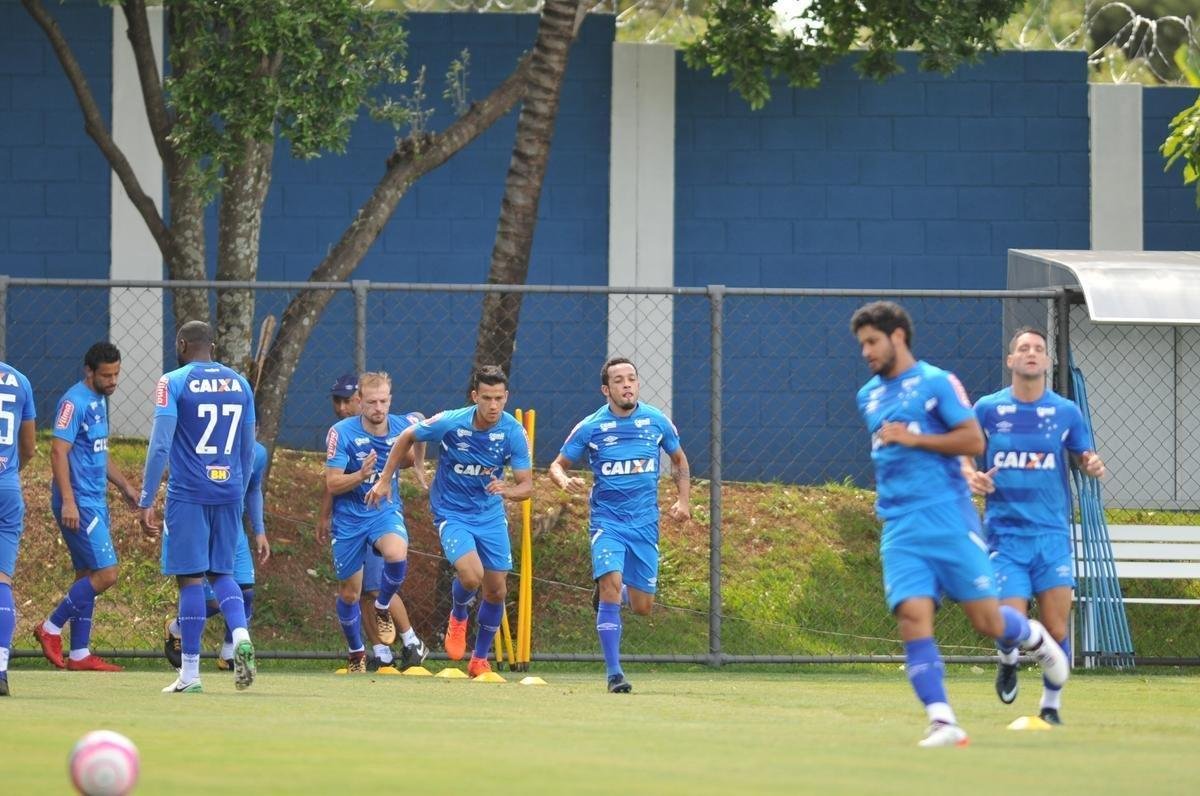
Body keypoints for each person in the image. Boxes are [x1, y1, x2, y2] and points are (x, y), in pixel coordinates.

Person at [850, 301, 1069, 748]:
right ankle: (943, 720)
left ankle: (1034, 639)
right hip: (899, 525)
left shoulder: (937, 382)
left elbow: (972, 439)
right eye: (862, 344)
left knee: (988, 621)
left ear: (897, 338)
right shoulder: (868, 394)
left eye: (872, 342)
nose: (866, 352)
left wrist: (913, 437)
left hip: (949, 517)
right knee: (912, 615)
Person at [966, 327, 1105, 725]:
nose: (1031, 353)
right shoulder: (988, 409)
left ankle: (1050, 706)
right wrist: (972, 477)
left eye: (1038, 349)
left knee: (1056, 625)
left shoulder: (1065, 411)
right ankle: (1007, 659)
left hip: (1052, 536)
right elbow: (964, 457)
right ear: (1011, 361)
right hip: (1006, 536)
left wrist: (1091, 464)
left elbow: (1084, 455)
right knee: (1008, 623)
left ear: (1046, 362)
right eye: (1023, 348)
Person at [367, 365, 531, 680]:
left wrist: (508, 489)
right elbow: (407, 434)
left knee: (496, 591)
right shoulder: (452, 421)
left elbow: (526, 485)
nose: (493, 405)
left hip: (491, 515)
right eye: (486, 398)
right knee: (471, 577)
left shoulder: (513, 431)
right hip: (452, 512)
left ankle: (479, 660)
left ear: (506, 397)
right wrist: (389, 477)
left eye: (499, 398)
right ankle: (458, 615)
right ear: (474, 396)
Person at [548, 357, 691, 694]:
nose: (627, 385)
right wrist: (563, 480)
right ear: (606, 389)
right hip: (607, 522)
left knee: (642, 607)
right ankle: (614, 674)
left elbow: (679, 460)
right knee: (611, 584)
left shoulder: (656, 421)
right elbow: (557, 464)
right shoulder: (590, 427)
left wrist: (684, 501)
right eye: (618, 380)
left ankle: (615, 593)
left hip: (644, 523)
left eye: (631, 379)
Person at [138, 321, 258, 694]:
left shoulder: (171, 381)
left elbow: (160, 445)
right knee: (223, 573)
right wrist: (236, 491)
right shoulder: (240, 383)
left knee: (190, 578)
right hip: (229, 491)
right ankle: (240, 635)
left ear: (182, 343)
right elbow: (247, 449)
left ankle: (190, 675)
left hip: (188, 493)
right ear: (214, 346)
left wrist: (146, 499)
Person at [34, 342, 139, 673]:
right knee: (106, 574)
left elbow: (99, 452)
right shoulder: (73, 401)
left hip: (96, 500)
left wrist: (124, 486)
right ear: (89, 371)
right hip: (78, 502)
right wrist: (68, 500)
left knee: (87, 576)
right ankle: (50, 628)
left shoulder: (99, 401)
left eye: (116, 374)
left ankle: (79, 653)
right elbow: (57, 452)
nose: (112, 381)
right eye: (106, 375)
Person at [318, 373, 425, 672]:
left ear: (390, 400)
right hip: (350, 518)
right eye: (371, 402)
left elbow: (423, 424)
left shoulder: (403, 425)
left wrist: (417, 462)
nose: (378, 407)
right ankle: (357, 653)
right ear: (360, 402)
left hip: (383, 510)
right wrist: (360, 476)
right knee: (350, 593)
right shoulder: (342, 432)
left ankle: (387, 615)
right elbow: (333, 483)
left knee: (396, 554)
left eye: (383, 401)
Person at [163, 438, 270, 671]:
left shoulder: (258, 453)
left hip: (232, 525)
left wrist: (259, 530)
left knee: (246, 592)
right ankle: (177, 629)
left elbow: (253, 489)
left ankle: (229, 653)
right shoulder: (203, 445)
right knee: (210, 600)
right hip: (200, 518)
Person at [0, 359, 36, 697]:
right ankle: (0, 667)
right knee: (2, 581)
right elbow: (28, 448)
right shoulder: (18, 379)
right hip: (7, 489)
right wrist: (10, 473)